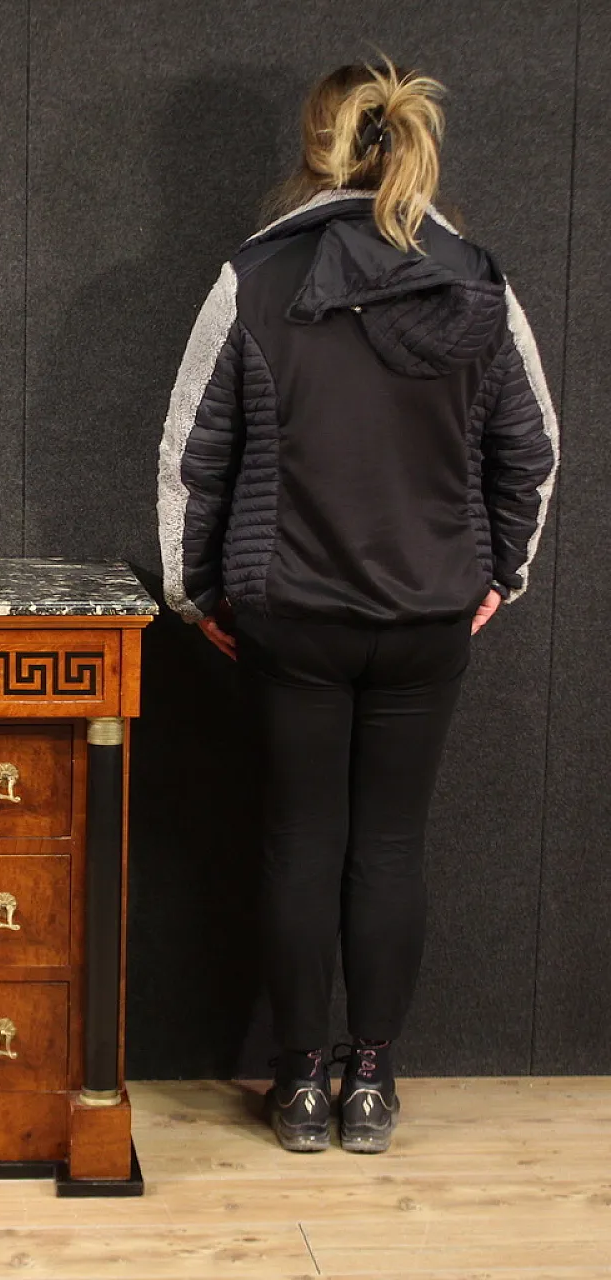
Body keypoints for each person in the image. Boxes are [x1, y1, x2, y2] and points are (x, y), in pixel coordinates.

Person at [155, 54, 559, 1154]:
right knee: (388, 844)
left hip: (288, 610)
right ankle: (369, 1083)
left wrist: (201, 599)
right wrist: (494, 575)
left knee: (297, 841)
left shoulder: (253, 276)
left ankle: (295, 1086)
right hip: (426, 617)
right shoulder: (479, 279)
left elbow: (191, 459)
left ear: (315, 144)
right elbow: (532, 450)